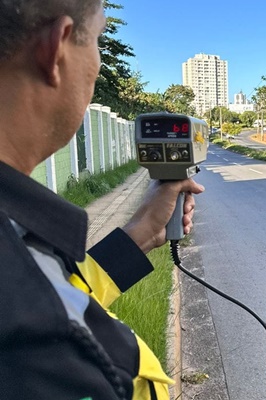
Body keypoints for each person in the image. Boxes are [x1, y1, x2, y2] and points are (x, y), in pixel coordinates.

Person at [0, 1, 204, 399]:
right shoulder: (40, 345)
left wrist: (138, 235)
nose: (95, 61)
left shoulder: (18, 242)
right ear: (56, 50)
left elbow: (54, 285)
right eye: (96, 39)